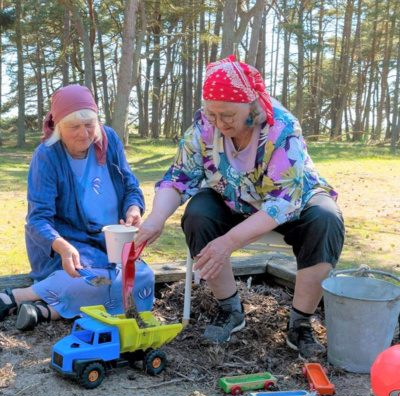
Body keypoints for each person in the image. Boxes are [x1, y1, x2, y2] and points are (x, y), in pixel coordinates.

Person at [135, 55, 345, 359]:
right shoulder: (204, 126)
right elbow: (177, 179)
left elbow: (283, 203)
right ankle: (230, 309)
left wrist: (229, 242)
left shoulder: (282, 129)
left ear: (253, 105)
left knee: (325, 219)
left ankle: (300, 323)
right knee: (198, 214)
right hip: (233, 197)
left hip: (291, 202)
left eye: (228, 115)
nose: (219, 123)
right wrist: (155, 219)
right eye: (212, 113)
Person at [0, 85, 154, 330]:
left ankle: (45, 311)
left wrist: (133, 209)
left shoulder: (109, 139)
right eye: (74, 127)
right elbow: (38, 219)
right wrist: (61, 245)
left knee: (143, 277)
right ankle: (20, 296)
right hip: (68, 245)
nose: (84, 134)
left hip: (108, 243)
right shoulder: (47, 156)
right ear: (59, 127)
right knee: (88, 281)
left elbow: (130, 186)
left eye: (89, 125)